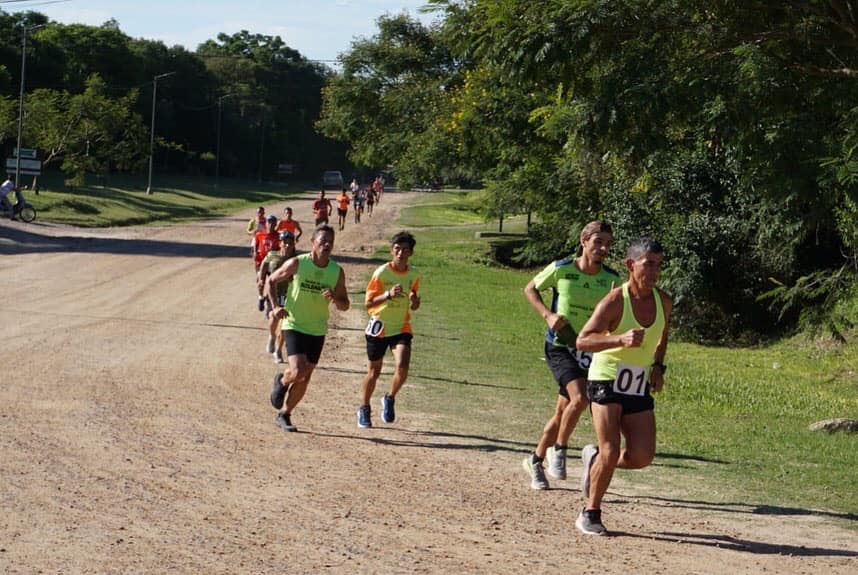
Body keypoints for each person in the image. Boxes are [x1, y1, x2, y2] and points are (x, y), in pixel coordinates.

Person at [574, 238, 673, 535]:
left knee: (642, 456)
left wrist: (658, 366)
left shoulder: (664, 300)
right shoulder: (615, 301)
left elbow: (662, 334)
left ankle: (595, 460)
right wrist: (619, 339)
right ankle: (590, 512)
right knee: (611, 446)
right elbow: (582, 340)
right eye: (648, 264)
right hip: (605, 377)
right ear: (631, 265)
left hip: (637, 382)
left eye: (659, 264)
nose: (654, 271)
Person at [521, 221, 618, 490]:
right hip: (560, 345)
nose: (603, 248)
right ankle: (559, 450)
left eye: (608, 244)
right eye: (598, 241)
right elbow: (530, 289)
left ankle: (535, 459)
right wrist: (548, 315)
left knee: (564, 410)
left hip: (588, 350)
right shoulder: (562, 268)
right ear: (584, 241)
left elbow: (617, 312)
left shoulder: (612, 279)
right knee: (580, 398)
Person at [268, 225, 350, 432]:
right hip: (294, 323)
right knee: (298, 370)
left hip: (317, 329)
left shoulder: (336, 272)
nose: (327, 244)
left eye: (330, 241)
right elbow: (271, 280)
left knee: (305, 376)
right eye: (322, 240)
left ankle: (284, 414)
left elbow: (345, 304)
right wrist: (276, 306)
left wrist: (334, 298)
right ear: (312, 242)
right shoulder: (297, 263)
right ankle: (283, 380)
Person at [357, 231, 421, 428]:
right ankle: (364, 408)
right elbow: (368, 303)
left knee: (402, 367)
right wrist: (387, 295)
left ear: (411, 253)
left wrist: (414, 301)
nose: (401, 253)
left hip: (401, 327)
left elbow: (415, 304)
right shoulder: (382, 273)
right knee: (374, 372)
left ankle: (390, 398)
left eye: (405, 250)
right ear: (392, 250)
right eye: (397, 249)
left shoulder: (413, 275)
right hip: (379, 327)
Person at [260, 230, 297, 362]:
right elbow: (263, 267)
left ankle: (278, 350)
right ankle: (272, 336)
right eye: (285, 243)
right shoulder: (272, 255)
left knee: (285, 324)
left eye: (290, 244)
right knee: (273, 318)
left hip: (289, 294)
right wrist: (261, 279)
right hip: (274, 293)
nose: (287, 246)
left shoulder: (295, 259)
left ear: (293, 245)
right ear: (280, 243)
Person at [253, 215, 281, 309]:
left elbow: (281, 249)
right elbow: (256, 246)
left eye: (273, 223)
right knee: (261, 282)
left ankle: (269, 299)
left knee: (272, 282)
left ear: (276, 224)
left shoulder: (279, 236)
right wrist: (255, 256)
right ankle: (261, 297)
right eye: (269, 222)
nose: (271, 224)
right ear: (266, 223)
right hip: (261, 262)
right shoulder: (259, 234)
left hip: (273, 263)